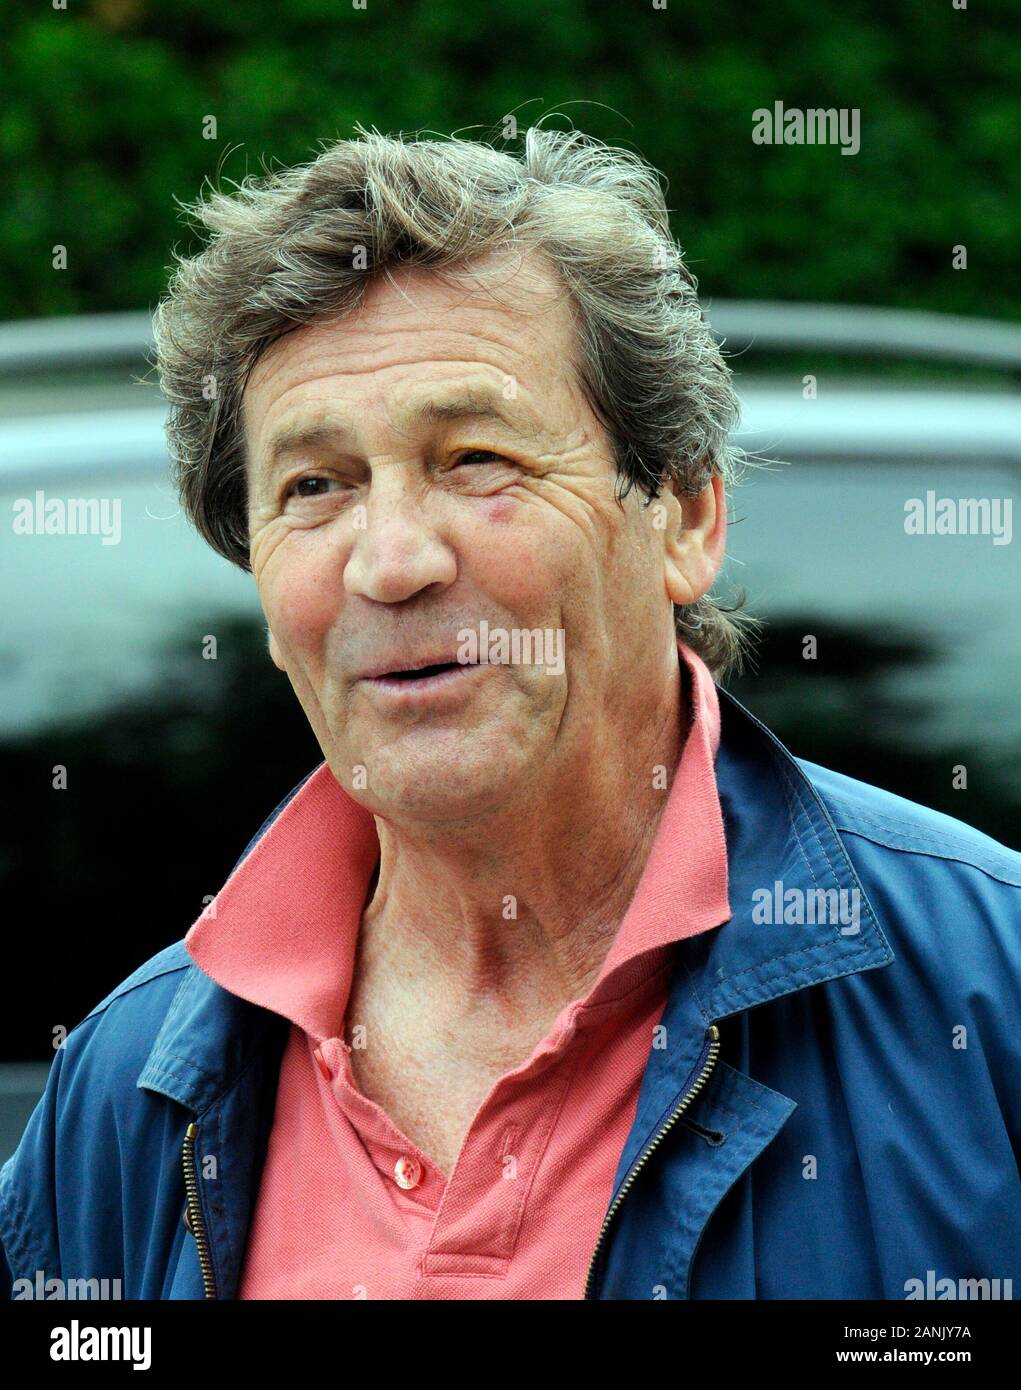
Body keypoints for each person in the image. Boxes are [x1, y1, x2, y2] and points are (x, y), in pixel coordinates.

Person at [3, 127, 1019, 1301]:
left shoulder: (984, 1001)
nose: (389, 560)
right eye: (313, 486)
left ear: (684, 516)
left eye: (476, 458)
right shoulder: (128, 1085)